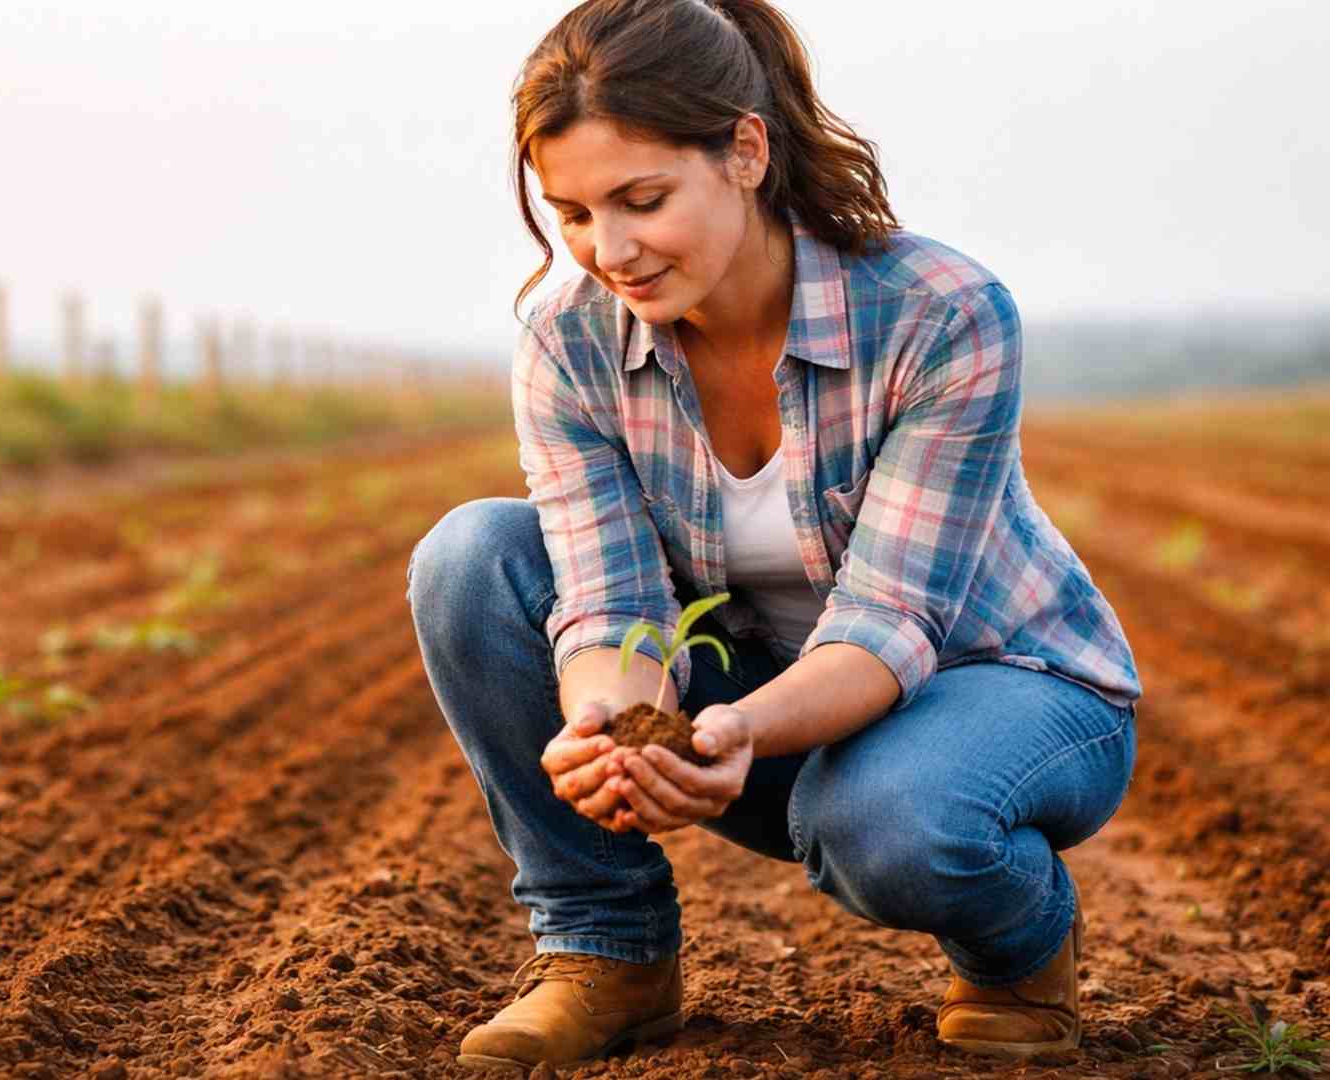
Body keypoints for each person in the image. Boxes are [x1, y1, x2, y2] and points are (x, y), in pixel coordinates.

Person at [404, 0, 1143, 1072]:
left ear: (746, 151)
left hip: (999, 685)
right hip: (762, 702)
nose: (607, 250)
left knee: (886, 821)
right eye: (570, 213)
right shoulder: (569, 341)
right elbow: (611, 604)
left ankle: (1019, 943)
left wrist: (734, 730)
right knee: (472, 558)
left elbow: (891, 619)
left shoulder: (941, 314)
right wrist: (615, 731)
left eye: (641, 199)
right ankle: (608, 956)